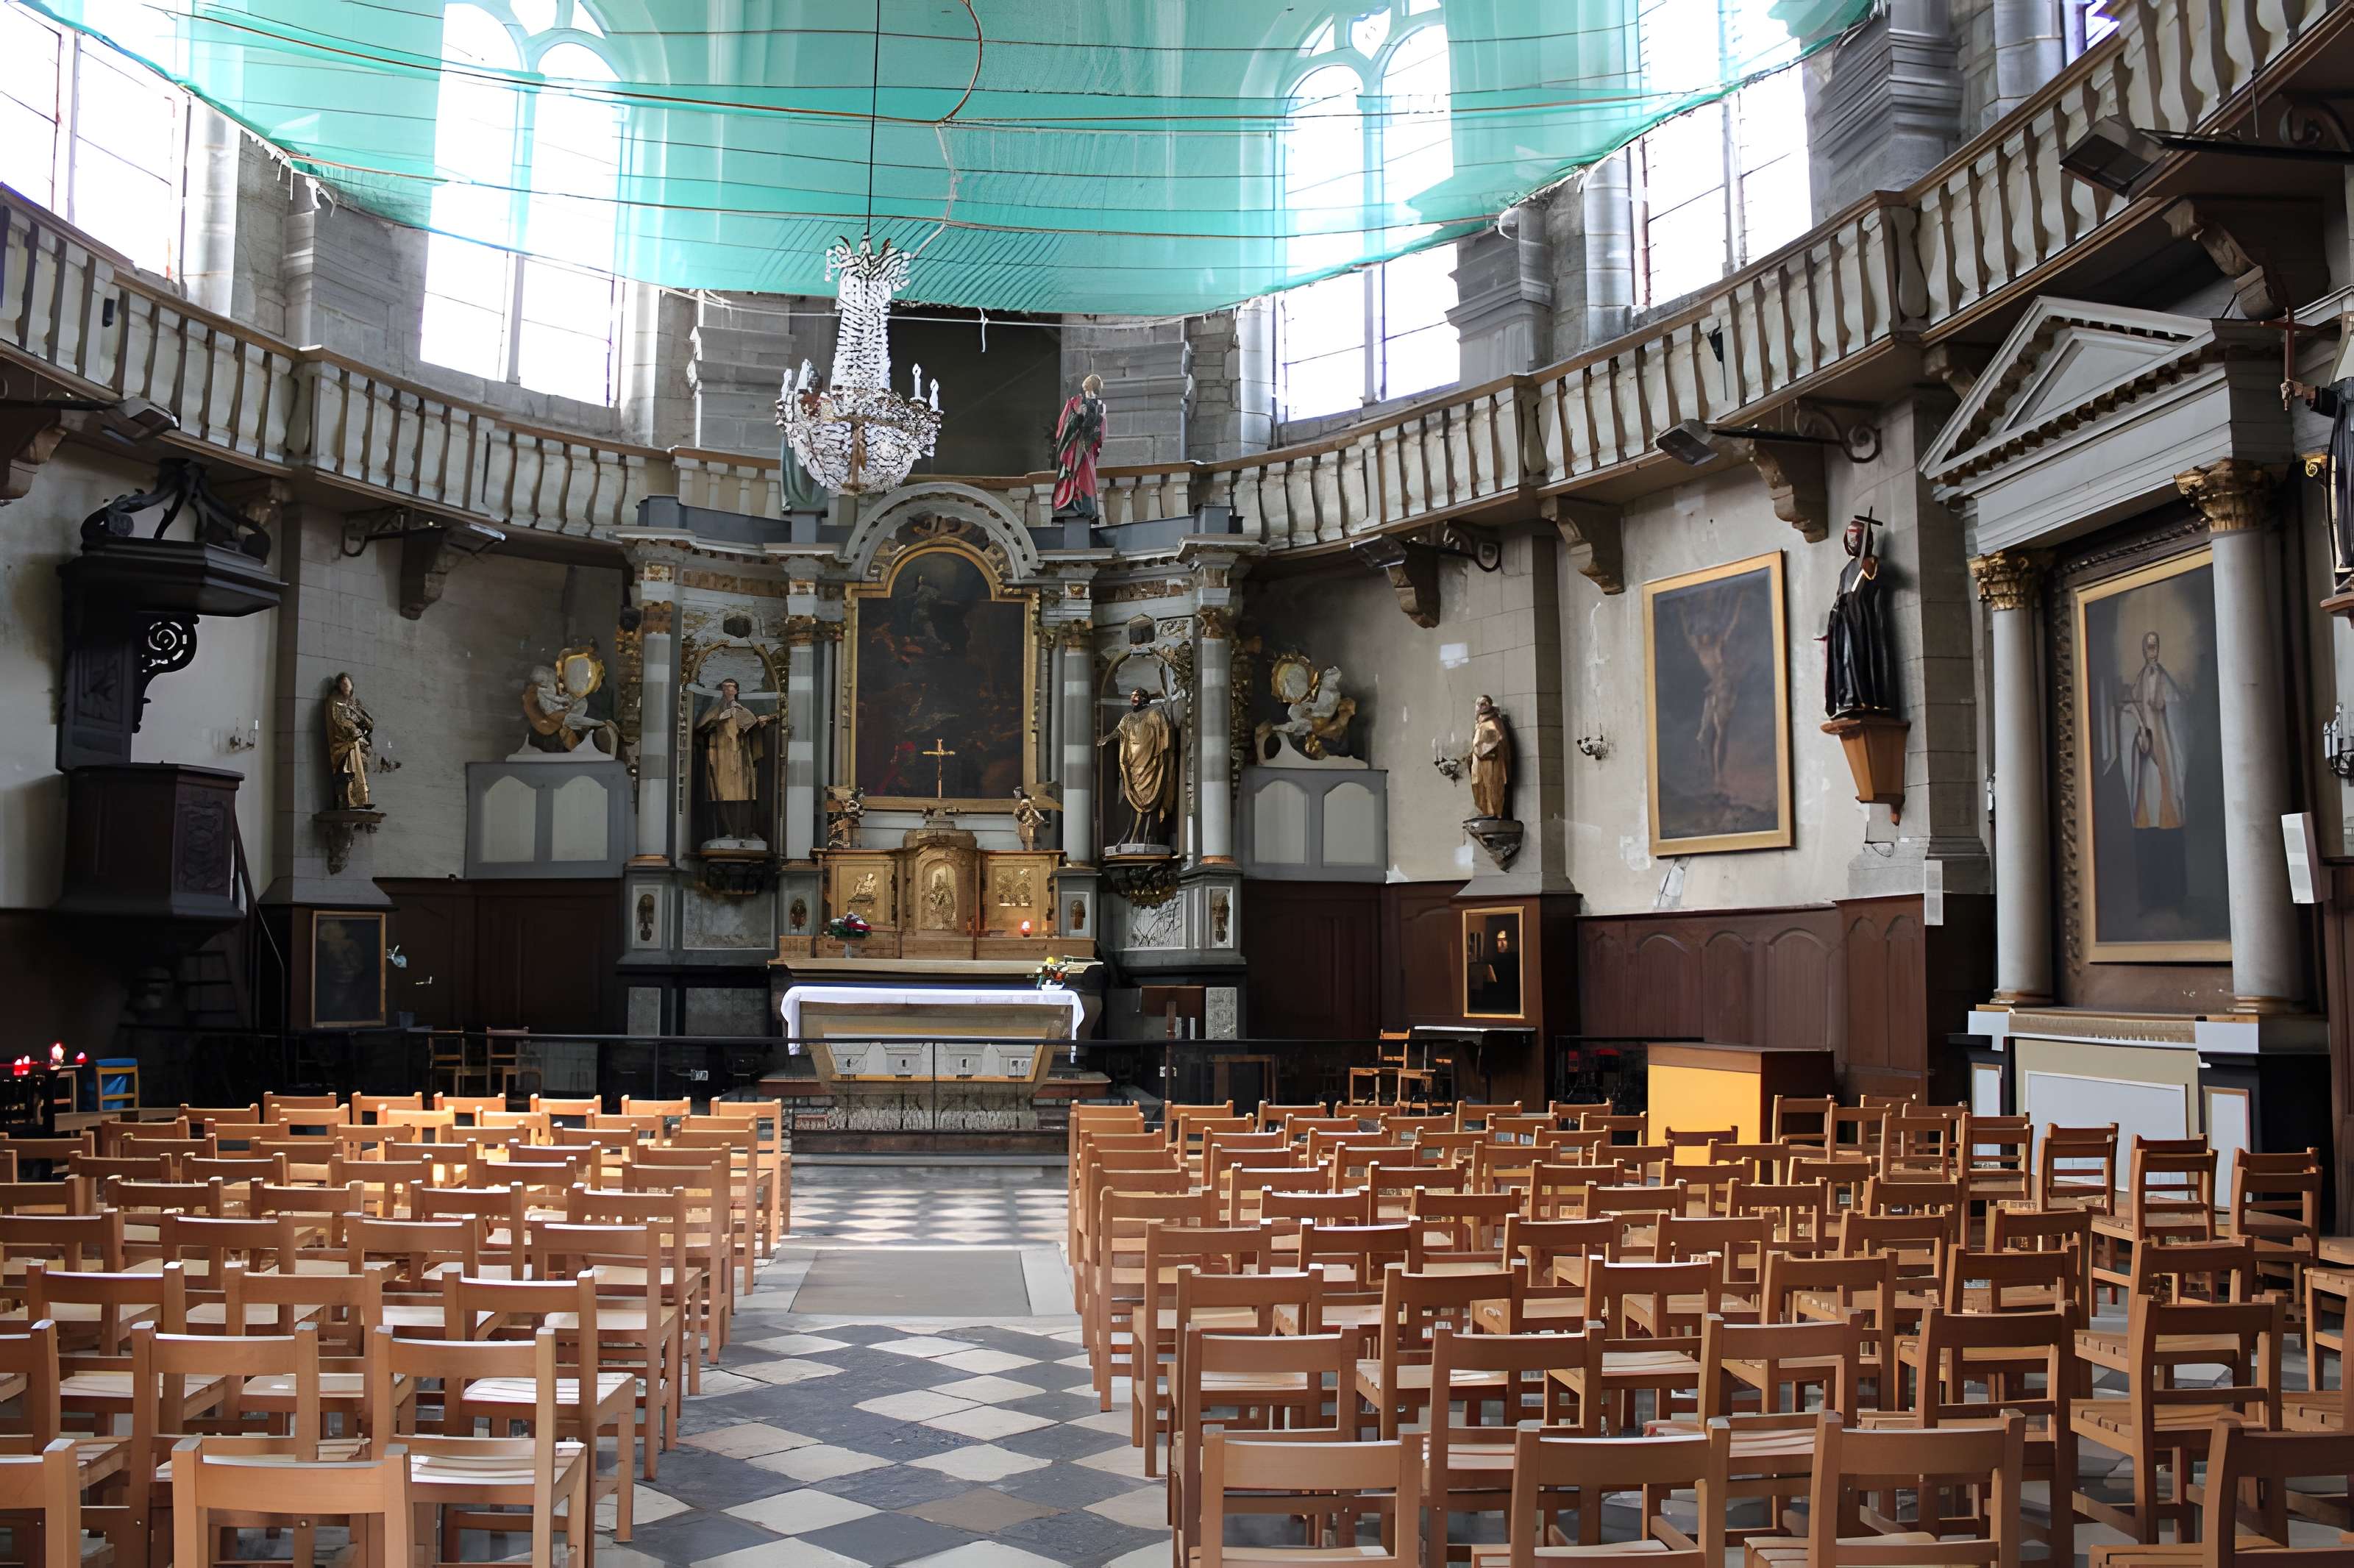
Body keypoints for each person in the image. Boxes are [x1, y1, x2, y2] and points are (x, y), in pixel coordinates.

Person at [1824, 513, 1895, 717]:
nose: (1854, 542)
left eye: (1857, 538)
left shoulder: (1870, 562)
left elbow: (1868, 586)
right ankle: (1848, 698)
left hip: (1861, 621)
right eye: (1851, 538)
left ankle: (1864, 697)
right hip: (1844, 622)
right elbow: (1841, 594)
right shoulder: (1846, 571)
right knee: (1844, 659)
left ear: (1866, 540)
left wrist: (1864, 575)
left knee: (1860, 658)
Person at [1099, 687, 1178, 844]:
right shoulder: (1128, 718)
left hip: (1150, 763)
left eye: (1137, 696)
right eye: (1132, 696)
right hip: (1134, 765)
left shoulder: (1154, 714)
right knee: (1133, 801)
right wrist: (1106, 739)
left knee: (1152, 798)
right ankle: (1132, 835)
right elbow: (1118, 731)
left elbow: (1165, 734)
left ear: (1144, 699)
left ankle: (1148, 835)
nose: (1133, 698)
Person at [698, 678, 775, 841]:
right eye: (725, 688)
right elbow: (700, 728)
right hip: (720, 759)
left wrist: (759, 721)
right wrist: (719, 719)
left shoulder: (740, 709)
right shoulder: (715, 710)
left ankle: (745, 831)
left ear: (736, 691)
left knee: (744, 796)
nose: (727, 691)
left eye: (731, 688)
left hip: (740, 759)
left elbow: (753, 727)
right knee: (722, 795)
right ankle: (728, 830)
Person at [1053, 374, 1107, 521]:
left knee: (1085, 477)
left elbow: (1102, 429)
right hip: (1074, 445)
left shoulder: (1100, 405)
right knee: (1073, 474)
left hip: (1087, 446)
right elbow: (1064, 424)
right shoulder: (1075, 401)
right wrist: (1077, 416)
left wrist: (1093, 430)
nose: (1089, 389)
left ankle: (1086, 508)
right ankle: (1071, 505)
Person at [324, 673, 375, 810]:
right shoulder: (334, 703)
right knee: (346, 772)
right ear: (339, 686)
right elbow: (340, 723)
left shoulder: (350, 704)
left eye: (348, 684)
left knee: (357, 769)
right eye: (344, 684)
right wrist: (353, 730)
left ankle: (359, 799)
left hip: (353, 744)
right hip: (343, 746)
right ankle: (349, 800)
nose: (346, 686)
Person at [1468, 695, 1512, 819]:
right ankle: (1485, 811)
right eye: (1478, 704)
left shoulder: (1494, 721)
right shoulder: (1479, 723)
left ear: (1489, 705)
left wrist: (1483, 749)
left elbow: (1499, 738)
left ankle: (1494, 812)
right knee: (1479, 785)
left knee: (1492, 785)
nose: (1480, 707)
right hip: (1479, 762)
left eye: (1483, 704)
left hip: (1492, 761)